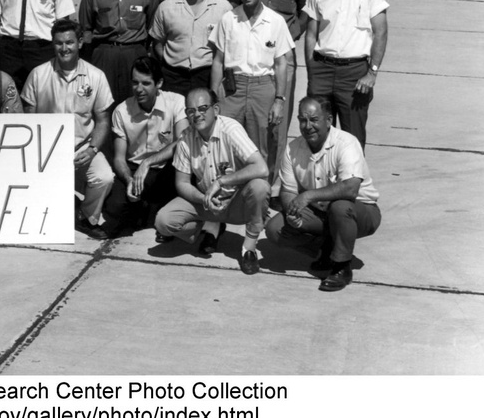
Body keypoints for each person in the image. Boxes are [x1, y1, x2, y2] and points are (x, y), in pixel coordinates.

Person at [265, 96, 382, 292]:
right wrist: (291, 211)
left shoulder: (346, 143)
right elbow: (288, 190)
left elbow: (351, 188)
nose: (307, 126)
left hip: (360, 211)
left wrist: (309, 195)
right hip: (320, 212)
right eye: (302, 119)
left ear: (328, 120)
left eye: (314, 119)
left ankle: (341, 268)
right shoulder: (293, 148)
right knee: (275, 228)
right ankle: (326, 249)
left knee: (340, 206)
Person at [226, 0, 311, 182]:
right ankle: (242, 177)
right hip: (251, 55)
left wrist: (293, 32)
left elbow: (307, 8)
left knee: (278, 123)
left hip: (282, 56)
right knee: (245, 120)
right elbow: (232, 2)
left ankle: (271, 182)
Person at [154, 87, 270, 274]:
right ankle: (208, 228)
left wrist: (222, 181)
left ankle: (248, 249)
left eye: (202, 108)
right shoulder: (185, 139)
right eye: (191, 111)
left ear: (215, 110)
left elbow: (261, 168)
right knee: (163, 221)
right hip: (207, 200)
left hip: (236, 201)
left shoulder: (230, 129)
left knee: (260, 187)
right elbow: (181, 183)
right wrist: (203, 199)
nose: (197, 114)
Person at [21, 20, 114, 240]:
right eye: (59, 43)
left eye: (70, 42)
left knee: (104, 177)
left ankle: (86, 217)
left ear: (80, 42)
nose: (64, 48)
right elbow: (28, 118)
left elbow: (102, 120)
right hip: (46, 148)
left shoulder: (96, 76)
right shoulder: (38, 74)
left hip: (81, 147)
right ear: (52, 45)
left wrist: (92, 150)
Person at [304, 0, 389, 149]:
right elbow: (311, 35)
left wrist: (372, 72)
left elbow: (381, 32)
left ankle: (351, 182)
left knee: (353, 138)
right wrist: (312, 70)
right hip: (321, 70)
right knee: (316, 133)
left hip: (355, 74)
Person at [211, 0, 294, 167]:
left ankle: (261, 192)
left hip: (263, 87)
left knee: (261, 146)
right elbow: (218, 61)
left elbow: (281, 64)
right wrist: (213, 97)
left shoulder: (275, 22)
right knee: (226, 143)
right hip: (232, 89)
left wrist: (279, 100)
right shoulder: (228, 19)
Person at [105, 57, 188, 238]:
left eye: (145, 83)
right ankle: (145, 210)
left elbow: (184, 142)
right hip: (134, 169)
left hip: (166, 168)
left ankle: (153, 213)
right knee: (114, 209)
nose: (138, 89)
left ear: (159, 83)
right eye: (135, 83)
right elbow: (119, 158)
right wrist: (129, 180)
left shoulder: (177, 102)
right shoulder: (121, 110)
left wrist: (148, 162)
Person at [78, 0, 161, 105]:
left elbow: (152, 24)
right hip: (103, 53)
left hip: (134, 53)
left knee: (134, 104)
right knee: (102, 103)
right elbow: (86, 28)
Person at [148, 0, 232, 97]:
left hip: (206, 76)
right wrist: (170, 63)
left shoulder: (223, 9)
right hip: (173, 76)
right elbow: (158, 42)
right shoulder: (166, 8)